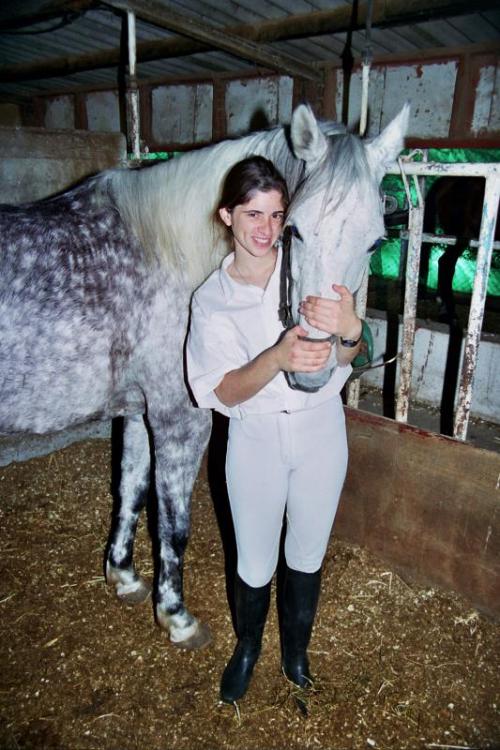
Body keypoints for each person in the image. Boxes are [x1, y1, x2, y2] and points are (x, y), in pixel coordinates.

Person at [186, 156, 362, 703]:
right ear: (227, 216)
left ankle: (296, 652)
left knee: (307, 552)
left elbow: (347, 356)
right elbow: (222, 392)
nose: (266, 229)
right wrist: (276, 358)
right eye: (253, 213)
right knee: (254, 559)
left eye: (277, 214)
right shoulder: (211, 300)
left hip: (321, 430)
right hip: (256, 438)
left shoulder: (309, 265)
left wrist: (352, 330)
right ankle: (247, 647)